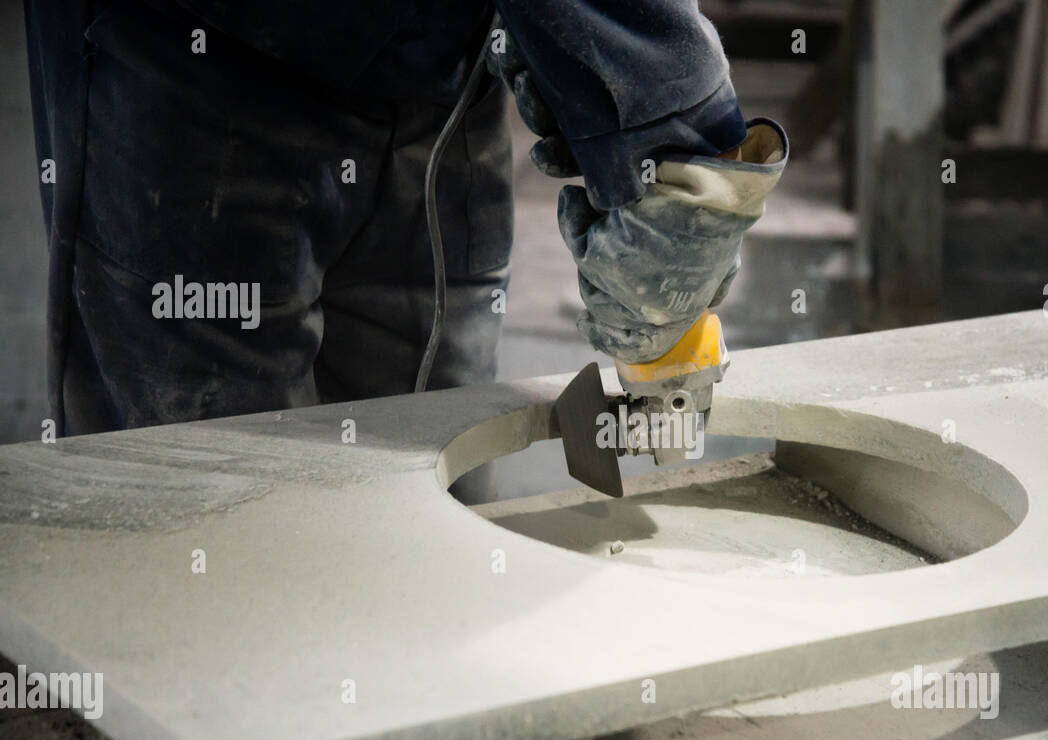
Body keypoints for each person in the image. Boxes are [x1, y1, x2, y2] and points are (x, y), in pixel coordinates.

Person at [25, 1, 787, 497]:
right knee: (215, 508)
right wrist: (674, 130)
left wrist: (620, 111)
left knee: (432, 494)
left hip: (435, 72)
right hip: (187, 54)